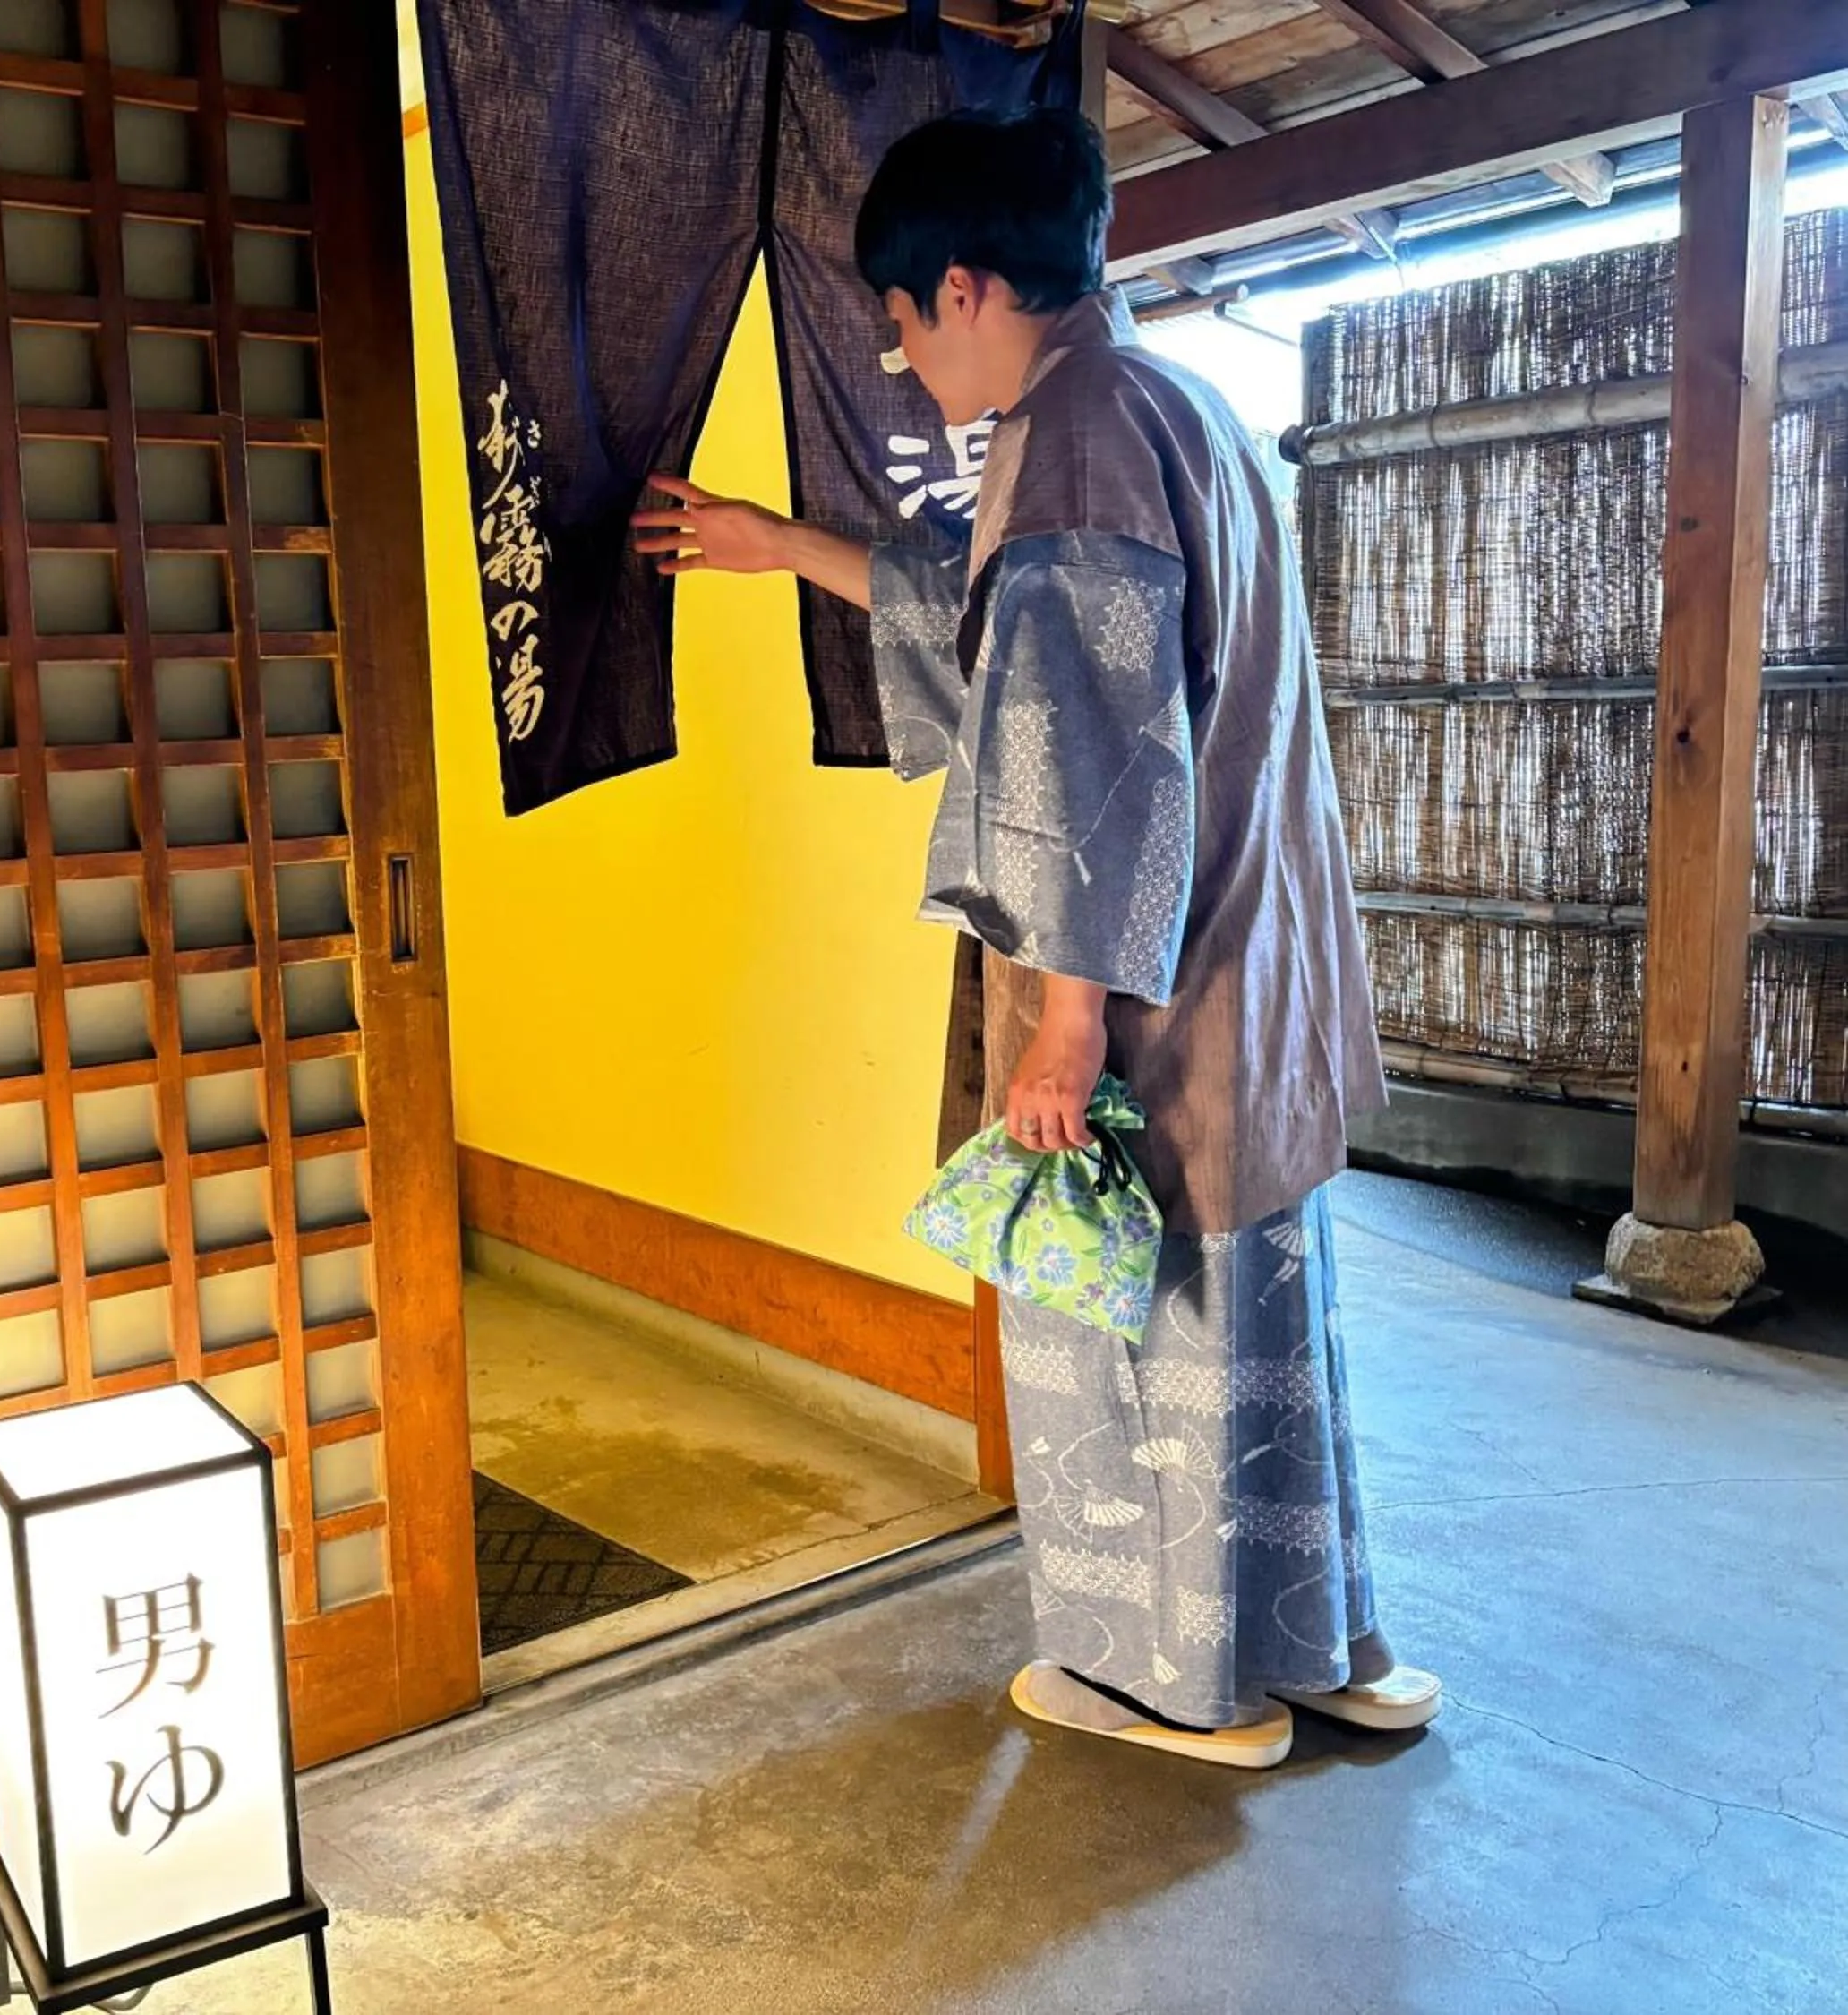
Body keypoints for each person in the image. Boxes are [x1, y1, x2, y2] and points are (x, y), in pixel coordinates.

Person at [631, 105, 1437, 1768]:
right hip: (1245, 971)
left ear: (971, 286)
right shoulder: (1169, 405)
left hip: (1134, 1002)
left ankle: (1173, 1679)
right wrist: (772, 543)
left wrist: (1064, 1025)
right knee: (1264, 1325)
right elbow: (978, 618)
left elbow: (1083, 746)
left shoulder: (1068, 438)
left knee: (1122, 1332)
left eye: (904, 319)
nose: (902, 356)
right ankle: (1310, 1647)